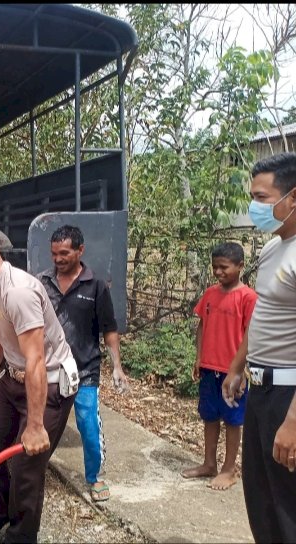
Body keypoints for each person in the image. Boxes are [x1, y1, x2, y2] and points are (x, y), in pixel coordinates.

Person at [0, 223, 78, 544]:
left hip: (48, 381)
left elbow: (36, 360)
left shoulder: (18, 291)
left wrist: (35, 425)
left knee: (27, 466)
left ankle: (22, 536)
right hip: (14, 378)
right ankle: (2, 508)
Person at [222, 152, 296, 543]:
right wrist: (237, 367)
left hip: (289, 395)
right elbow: (261, 317)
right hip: (261, 391)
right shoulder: (271, 250)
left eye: (262, 197)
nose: (254, 206)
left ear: (293, 198)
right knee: (261, 497)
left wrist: (294, 420)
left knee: (288, 506)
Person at [36, 225, 129, 502]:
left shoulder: (96, 285)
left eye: (64, 253)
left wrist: (117, 366)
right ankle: (34, 471)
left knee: (88, 424)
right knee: (42, 423)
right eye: (54, 254)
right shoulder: (41, 282)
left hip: (84, 369)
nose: (58, 259)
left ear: (80, 250)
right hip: (50, 368)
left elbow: (109, 329)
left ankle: (95, 476)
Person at [181, 242, 257, 490]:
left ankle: (229, 469)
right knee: (209, 415)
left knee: (233, 419)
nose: (218, 272)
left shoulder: (248, 298)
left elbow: (252, 333)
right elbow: (202, 324)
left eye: (224, 267)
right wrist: (199, 357)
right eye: (215, 267)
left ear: (240, 266)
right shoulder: (210, 294)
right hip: (209, 368)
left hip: (232, 372)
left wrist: (242, 370)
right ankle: (209, 463)